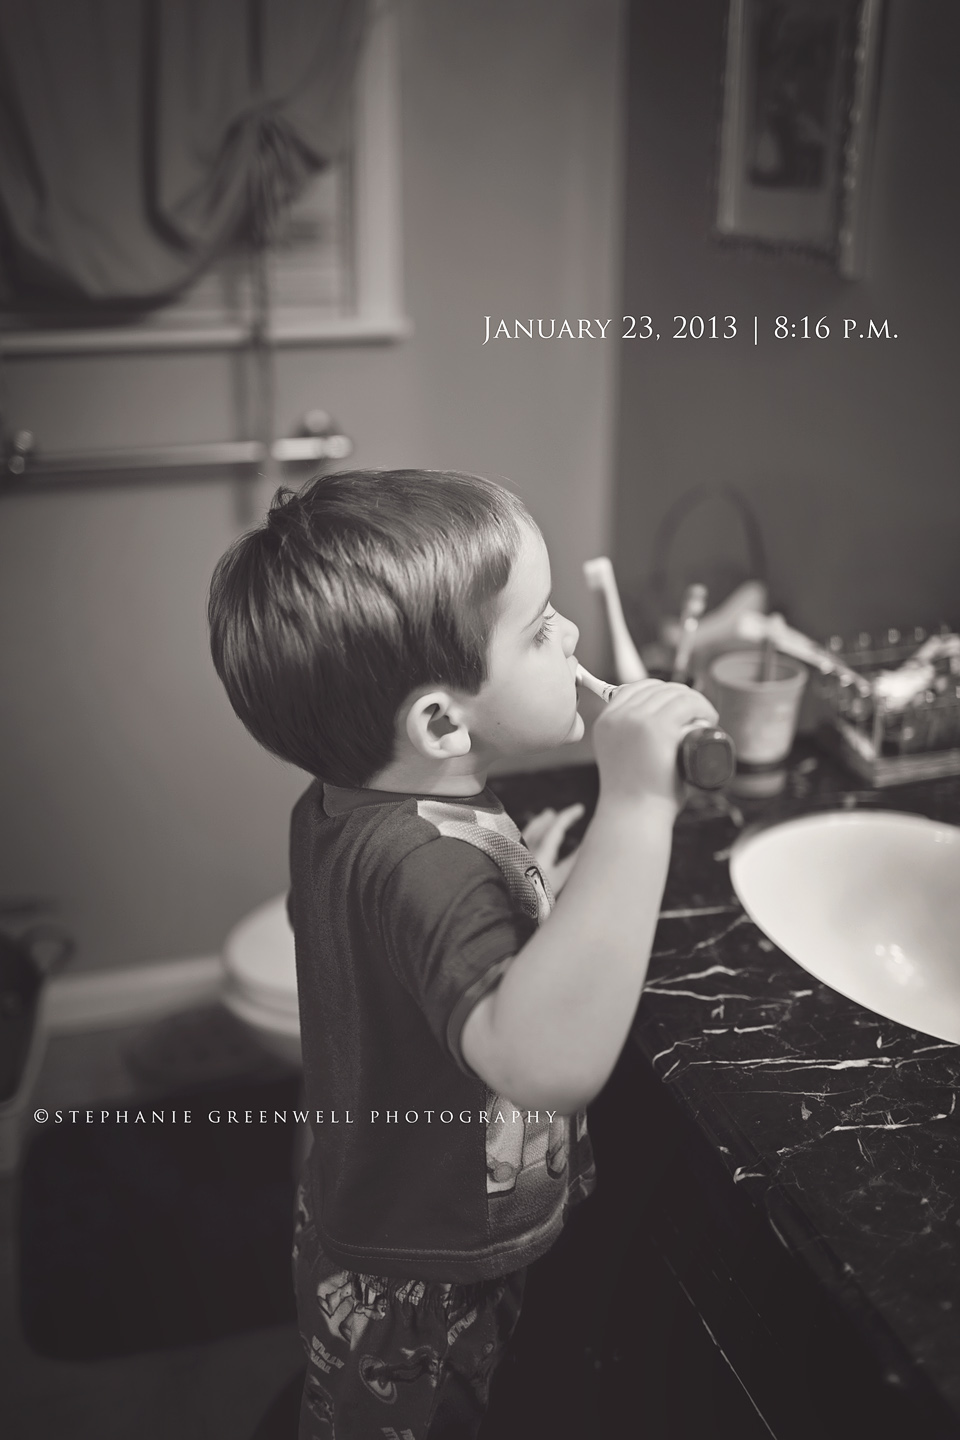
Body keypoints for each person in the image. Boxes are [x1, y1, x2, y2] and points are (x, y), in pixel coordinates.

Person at [208, 469, 717, 1438]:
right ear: (442, 721)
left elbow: (400, 948)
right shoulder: (427, 865)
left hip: (375, 1204)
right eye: (536, 630)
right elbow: (544, 1063)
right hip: (418, 1271)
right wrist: (639, 809)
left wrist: (532, 896)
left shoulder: (344, 806)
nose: (568, 636)